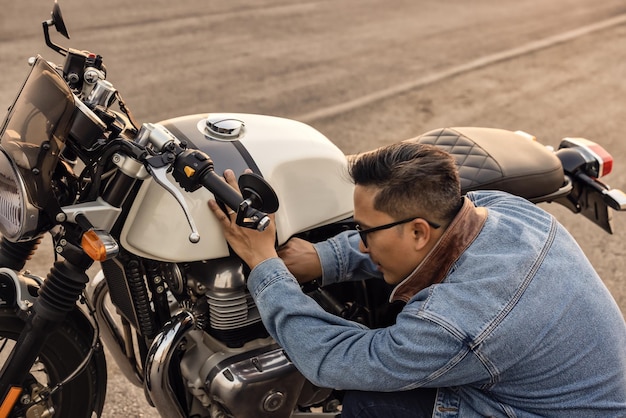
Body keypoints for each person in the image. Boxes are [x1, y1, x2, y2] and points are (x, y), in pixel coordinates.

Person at [207, 142, 626, 417]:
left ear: (418, 231)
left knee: (370, 403)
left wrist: (264, 264)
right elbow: (441, 238)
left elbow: (331, 360)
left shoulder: (456, 324)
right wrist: (326, 256)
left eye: (365, 231)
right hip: (575, 387)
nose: (362, 243)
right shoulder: (503, 209)